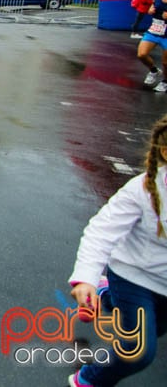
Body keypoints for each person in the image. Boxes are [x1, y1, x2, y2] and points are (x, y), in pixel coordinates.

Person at [66, 113, 167, 387]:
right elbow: (101, 231)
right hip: (134, 276)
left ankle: (106, 295)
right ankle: (88, 378)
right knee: (139, 352)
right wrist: (85, 276)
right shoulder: (144, 190)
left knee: (151, 333)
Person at [137, 0, 167, 92]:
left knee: (166, 62)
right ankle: (154, 70)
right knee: (141, 54)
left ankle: (165, 82)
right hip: (154, 30)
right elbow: (154, 5)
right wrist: (151, 9)